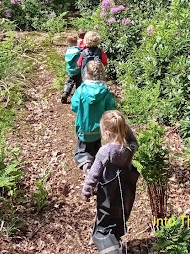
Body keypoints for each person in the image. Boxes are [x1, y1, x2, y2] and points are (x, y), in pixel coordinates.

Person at [82, 111, 139, 253]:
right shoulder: (128, 149)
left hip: (107, 195)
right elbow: (134, 142)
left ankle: (111, 250)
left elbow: (93, 176)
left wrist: (86, 191)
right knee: (119, 220)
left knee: (103, 226)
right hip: (125, 194)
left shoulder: (105, 151)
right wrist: (125, 129)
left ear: (107, 133)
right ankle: (116, 240)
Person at [71, 60, 115, 173]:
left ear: (86, 73)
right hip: (98, 129)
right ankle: (98, 169)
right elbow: (110, 108)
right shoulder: (105, 91)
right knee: (96, 149)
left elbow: (74, 106)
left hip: (83, 128)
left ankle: (86, 165)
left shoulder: (80, 90)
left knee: (81, 151)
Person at [61, 33, 82, 104]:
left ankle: (65, 92)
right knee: (79, 83)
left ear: (68, 43)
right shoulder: (78, 50)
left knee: (70, 82)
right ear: (76, 42)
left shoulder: (68, 51)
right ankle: (78, 97)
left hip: (70, 70)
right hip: (78, 70)